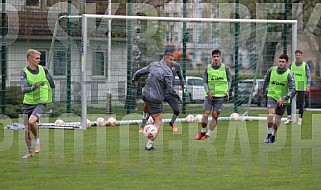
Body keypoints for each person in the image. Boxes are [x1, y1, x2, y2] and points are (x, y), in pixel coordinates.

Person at [132, 49, 180, 150]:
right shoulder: (168, 72)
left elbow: (140, 72)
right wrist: (177, 96)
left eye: (174, 60)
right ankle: (149, 145)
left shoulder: (153, 65)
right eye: (171, 59)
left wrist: (134, 78)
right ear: (165, 58)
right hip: (155, 98)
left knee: (149, 107)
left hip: (145, 94)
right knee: (158, 122)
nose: (173, 62)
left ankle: (144, 120)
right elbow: (170, 89)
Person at [20, 49, 55, 158]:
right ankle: (30, 152)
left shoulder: (44, 70)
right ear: (30, 58)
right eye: (37, 58)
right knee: (26, 130)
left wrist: (50, 84)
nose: (39, 60)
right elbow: (24, 89)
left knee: (31, 122)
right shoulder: (24, 72)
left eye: (39, 58)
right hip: (28, 103)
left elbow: (52, 83)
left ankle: (37, 140)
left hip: (40, 102)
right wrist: (34, 87)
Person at [138, 61, 185, 133]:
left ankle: (172, 123)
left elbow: (181, 77)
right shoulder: (159, 66)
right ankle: (143, 126)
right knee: (147, 108)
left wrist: (182, 84)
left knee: (176, 111)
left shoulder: (176, 66)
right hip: (159, 92)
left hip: (170, 92)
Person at [195, 49, 232, 140]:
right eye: (214, 57)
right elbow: (204, 81)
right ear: (212, 58)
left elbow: (229, 80)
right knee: (205, 114)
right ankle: (203, 131)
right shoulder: (207, 68)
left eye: (217, 56)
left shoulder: (226, 68)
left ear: (220, 57)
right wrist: (208, 91)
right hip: (209, 95)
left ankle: (208, 134)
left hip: (220, 95)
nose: (216, 58)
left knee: (215, 115)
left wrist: (227, 90)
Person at [261, 54, 296, 144]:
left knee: (277, 119)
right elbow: (266, 81)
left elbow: (293, 89)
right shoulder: (271, 70)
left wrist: (284, 98)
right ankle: (268, 134)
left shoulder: (289, 74)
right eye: (279, 61)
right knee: (270, 114)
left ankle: (273, 135)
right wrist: (263, 91)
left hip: (283, 98)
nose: (280, 63)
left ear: (286, 63)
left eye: (283, 62)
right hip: (272, 95)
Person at [284, 50, 311, 125]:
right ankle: (289, 117)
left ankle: (300, 119)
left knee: (301, 103)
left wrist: (308, 85)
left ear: (301, 56)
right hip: (293, 85)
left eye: (299, 55)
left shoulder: (305, 65)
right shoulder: (291, 65)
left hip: (302, 84)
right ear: (295, 56)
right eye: (296, 55)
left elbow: (309, 76)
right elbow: (288, 74)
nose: (298, 56)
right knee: (288, 100)